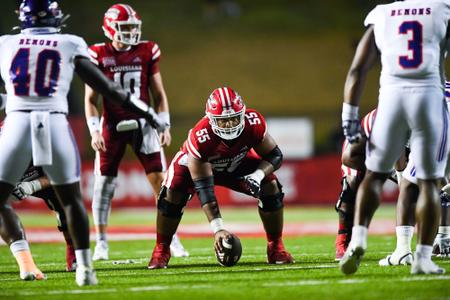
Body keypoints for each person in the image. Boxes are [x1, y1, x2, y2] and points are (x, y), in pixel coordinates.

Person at [0, 0, 168, 286]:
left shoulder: (5, 43)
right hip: (54, 121)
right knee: (72, 202)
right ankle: (85, 269)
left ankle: (25, 262)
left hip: (15, 121)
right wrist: (149, 112)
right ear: (54, 18)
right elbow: (109, 89)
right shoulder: (69, 43)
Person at [340, 0, 449, 275]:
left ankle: (358, 239)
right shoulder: (442, 9)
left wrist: (349, 117)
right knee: (427, 183)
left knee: (374, 175)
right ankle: (422, 257)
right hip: (428, 95)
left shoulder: (382, 13)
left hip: (391, 97)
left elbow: (357, 70)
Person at [84, 3, 188, 261]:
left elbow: (158, 93)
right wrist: (94, 131)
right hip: (112, 126)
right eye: (125, 27)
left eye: (133, 27)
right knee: (103, 186)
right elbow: (90, 99)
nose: (131, 33)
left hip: (143, 124)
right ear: (110, 28)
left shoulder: (146, 51)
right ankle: (101, 242)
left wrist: (164, 123)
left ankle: (170, 238)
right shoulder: (98, 54)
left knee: (162, 183)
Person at [148, 87, 294, 269]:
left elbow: (275, 155)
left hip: (236, 163)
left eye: (234, 118)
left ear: (242, 114)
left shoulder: (253, 122)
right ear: (211, 120)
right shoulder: (201, 137)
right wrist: (218, 229)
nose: (230, 124)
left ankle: (275, 247)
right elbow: (205, 190)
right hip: (194, 166)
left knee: (270, 186)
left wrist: (257, 176)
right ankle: (161, 249)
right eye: (223, 121)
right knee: (172, 195)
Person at [335, 109, 407, 260]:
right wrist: (390, 171)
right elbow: (348, 157)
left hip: (402, 149)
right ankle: (345, 240)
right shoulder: (379, 119)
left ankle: (440, 236)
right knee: (352, 184)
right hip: (363, 152)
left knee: (427, 187)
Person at [11, 165, 77, 272]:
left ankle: (73, 252)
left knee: (67, 204)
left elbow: (60, 174)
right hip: (8, 177)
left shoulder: (47, 149)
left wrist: (32, 186)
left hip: (41, 178)